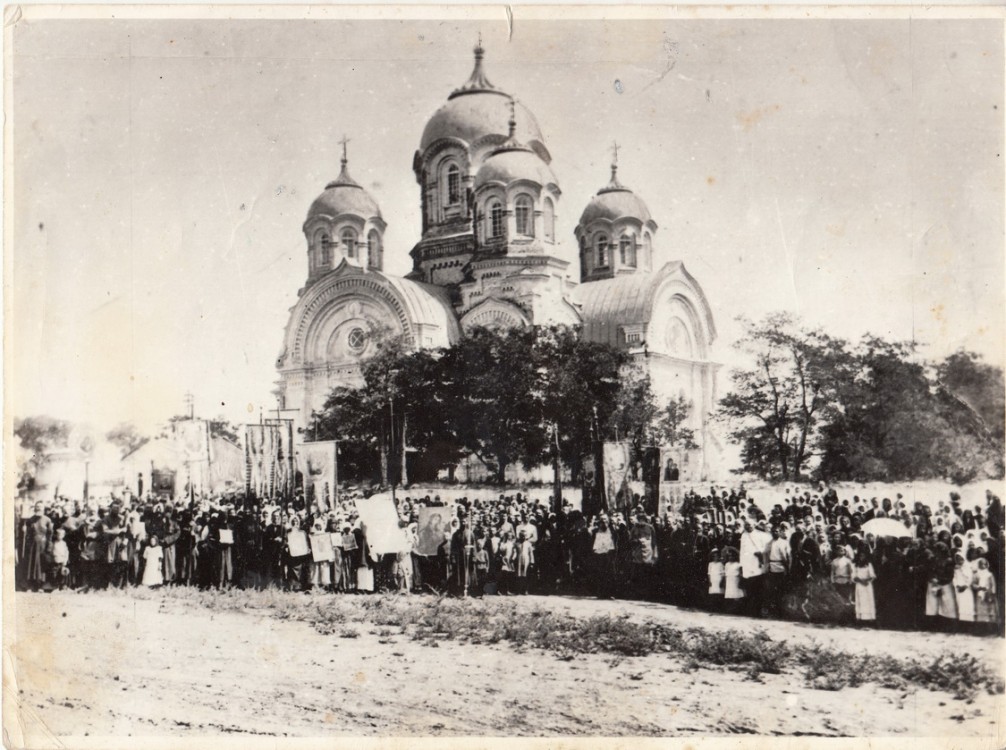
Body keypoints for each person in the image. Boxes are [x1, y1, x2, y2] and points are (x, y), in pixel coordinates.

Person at [973, 557, 999, 635]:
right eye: (981, 564)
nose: (982, 566)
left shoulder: (989, 574)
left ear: (987, 565)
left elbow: (993, 584)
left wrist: (992, 593)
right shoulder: (976, 574)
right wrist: (979, 587)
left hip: (988, 594)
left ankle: (990, 629)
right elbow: (973, 584)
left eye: (984, 564)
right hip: (980, 594)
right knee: (981, 611)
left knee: (989, 611)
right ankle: (982, 629)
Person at [952, 553, 976, 634]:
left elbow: (970, 578)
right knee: (960, 607)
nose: (959, 560)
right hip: (959, 590)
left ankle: (969, 627)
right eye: (957, 559)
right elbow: (954, 578)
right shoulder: (956, 569)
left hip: (966, 590)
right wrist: (957, 586)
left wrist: (965, 586)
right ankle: (962, 626)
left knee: (968, 607)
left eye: (961, 558)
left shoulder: (967, 567)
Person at [853, 550, 876, 623]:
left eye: (863, 556)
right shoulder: (855, 565)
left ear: (866, 557)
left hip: (867, 585)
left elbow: (872, 575)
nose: (861, 557)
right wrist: (861, 581)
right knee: (860, 600)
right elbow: (854, 576)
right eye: (860, 556)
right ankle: (859, 618)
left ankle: (870, 618)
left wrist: (866, 581)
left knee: (868, 601)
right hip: (859, 585)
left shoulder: (869, 564)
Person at [722, 547, 745, 614]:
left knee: (736, 595)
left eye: (732, 556)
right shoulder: (727, 564)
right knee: (730, 594)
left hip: (735, 580)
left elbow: (741, 574)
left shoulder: (738, 564)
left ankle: (737, 610)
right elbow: (725, 574)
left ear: (735, 556)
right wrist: (725, 582)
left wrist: (740, 582)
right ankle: (731, 610)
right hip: (729, 580)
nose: (730, 557)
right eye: (729, 556)